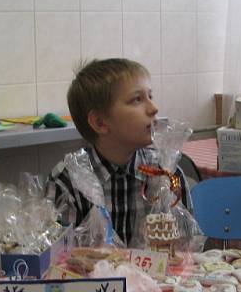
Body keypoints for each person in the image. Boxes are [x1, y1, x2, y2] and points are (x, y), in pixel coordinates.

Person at [47, 58, 191, 247]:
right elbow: (59, 257)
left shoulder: (166, 173)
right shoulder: (68, 180)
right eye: (137, 99)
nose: (154, 109)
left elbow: (187, 248)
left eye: (150, 96)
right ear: (100, 123)